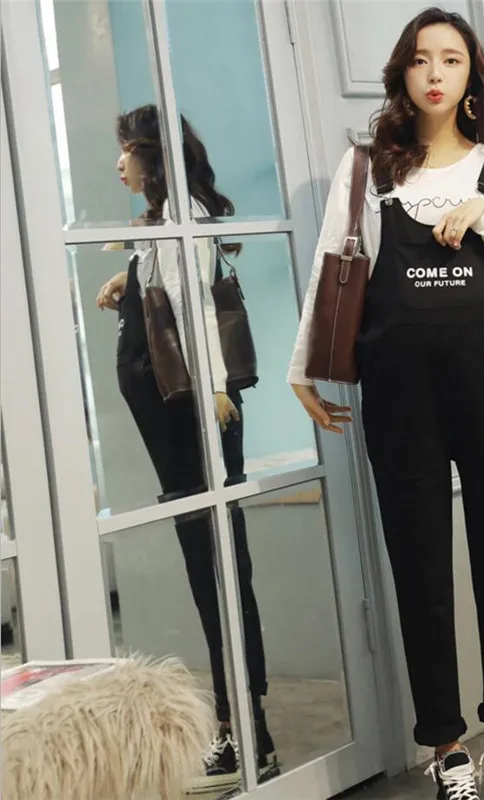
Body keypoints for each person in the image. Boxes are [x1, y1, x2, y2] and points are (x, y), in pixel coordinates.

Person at [289, 8, 484, 800]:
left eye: (452, 60)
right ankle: (447, 747)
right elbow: (332, 267)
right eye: (421, 59)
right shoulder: (367, 169)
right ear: (402, 72)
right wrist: (304, 367)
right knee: (419, 558)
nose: (436, 73)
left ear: (471, 79)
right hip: (400, 392)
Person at [96, 104, 279, 793]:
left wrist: (214, 393)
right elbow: (173, 287)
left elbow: (196, 304)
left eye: (126, 150)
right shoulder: (170, 216)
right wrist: (130, 279)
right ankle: (242, 729)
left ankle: (245, 732)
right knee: (213, 566)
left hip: (193, 412)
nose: (118, 163)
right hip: (183, 413)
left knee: (218, 570)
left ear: (150, 156)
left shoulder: (183, 213)